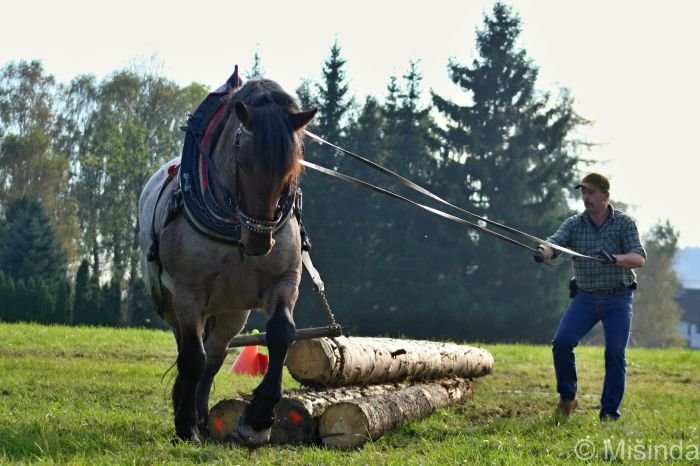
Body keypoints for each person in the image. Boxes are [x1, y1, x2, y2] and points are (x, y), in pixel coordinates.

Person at [534, 173, 646, 421]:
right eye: (583, 192)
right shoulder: (574, 224)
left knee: (615, 354)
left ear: (605, 196)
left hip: (618, 299)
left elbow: (639, 258)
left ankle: (609, 413)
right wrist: (543, 252)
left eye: (591, 192)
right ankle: (568, 398)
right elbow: (553, 243)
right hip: (584, 298)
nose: (586, 197)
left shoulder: (624, 223)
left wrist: (615, 259)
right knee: (562, 343)